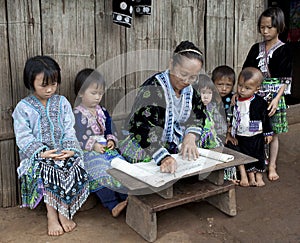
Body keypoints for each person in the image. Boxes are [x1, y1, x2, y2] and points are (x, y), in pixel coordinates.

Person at [12, 56, 89, 236]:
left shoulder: (62, 102)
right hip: (38, 157)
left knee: (74, 162)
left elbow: (70, 130)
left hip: (62, 151)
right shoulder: (23, 108)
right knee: (48, 168)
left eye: (53, 84)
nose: (49, 89)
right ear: (30, 83)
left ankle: (63, 211)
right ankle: (52, 215)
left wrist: (71, 149)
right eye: (43, 85)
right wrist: (43, 153)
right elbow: (23, 137)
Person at [119, 40, 206, 173]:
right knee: (148, 163)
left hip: (174, 139)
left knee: (198, 145)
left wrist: (191, 136)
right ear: (171, 64)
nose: (187, 81)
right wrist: (163, 156)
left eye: (193, 77)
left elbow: (199, 114)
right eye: (183, 74)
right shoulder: (153, 89)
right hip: (142, 139)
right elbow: (143, 128)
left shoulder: (191, 90)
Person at [243, 7, 292, 181]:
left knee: (273, 133)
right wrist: (240, 92)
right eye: (262, 27)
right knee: (256, 132)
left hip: (275, 96)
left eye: (269, 27)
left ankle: (272, 166)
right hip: (256, 96)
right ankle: (257, 165)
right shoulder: (256, 48)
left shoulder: (284, 49)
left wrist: (277, 100)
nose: (264, 31)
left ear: (279, 26)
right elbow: (246, 72)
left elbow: (286, 79)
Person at [73, 68, 128, 217]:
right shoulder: (76, 114)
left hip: (106, 148)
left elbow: (110, 127)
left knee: (121, 166)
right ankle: (112, 205)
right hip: (89, 152)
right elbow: (76, 136)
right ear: (80, 93)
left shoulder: (102, 111)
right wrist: (92, 146)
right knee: (99, 170)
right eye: (93, 93)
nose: (98, 97)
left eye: (100, 93)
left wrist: (111, 139)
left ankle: (126, 198)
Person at [229, 67, 273, 186]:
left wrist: (268, 133)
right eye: (240, 86)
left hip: (256, 133)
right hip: (241, 135)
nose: (242, 90)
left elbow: (265, 118)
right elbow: (232, 116)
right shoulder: (235, 99)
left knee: (258, 155)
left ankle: (258, 177)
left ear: (256, 89)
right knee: (246, 155)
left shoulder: (260, 102)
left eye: (247, 88)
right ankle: (250, 177)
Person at [211, 65, 239, 183]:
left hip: (227, 133)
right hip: (211, 133)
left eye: (228, 85)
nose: (224, 88)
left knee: (232, 148)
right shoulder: (209, 97)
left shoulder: (231, 99)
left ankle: (231, 176)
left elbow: (231, 117)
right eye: (220, 84)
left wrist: (228, 133)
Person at [195, 74, 226, 149]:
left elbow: (220, 125)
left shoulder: (212, 107)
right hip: (196, 141)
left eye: (209, 93)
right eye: (203, 93)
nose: (206, 96)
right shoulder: (193, 108)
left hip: (211, 141)